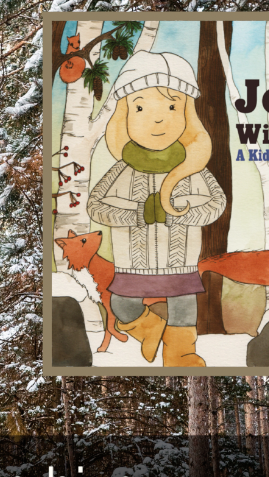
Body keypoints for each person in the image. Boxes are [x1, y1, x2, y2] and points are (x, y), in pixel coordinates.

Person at [87, 50, 226, 367]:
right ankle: (149, 329)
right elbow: (95, 207)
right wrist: (137, 215)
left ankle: (181, 352)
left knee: (183, 307)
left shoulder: (193, 168)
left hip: (180, 259)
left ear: (187, 115)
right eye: (140, 107)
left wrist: (183, 212)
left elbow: (217, 203)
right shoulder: (121, 170)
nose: (158, 118)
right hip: (131, 260)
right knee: (123, 305)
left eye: (172, 106)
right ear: (125, 115)